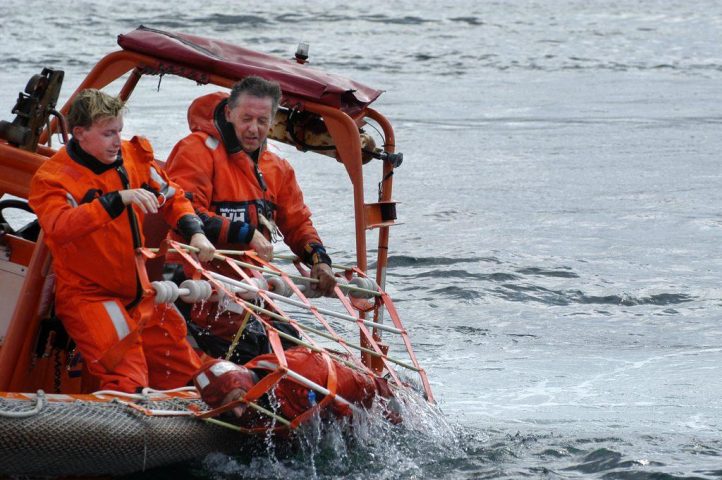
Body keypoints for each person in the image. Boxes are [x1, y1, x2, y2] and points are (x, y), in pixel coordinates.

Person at [29, 89, 216, 393]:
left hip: (139, 292)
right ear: (80, 133)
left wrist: (194, 230)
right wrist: (117, 200)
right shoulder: (53, 179)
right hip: (91, 296)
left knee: (184, 369)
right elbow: (59, 226)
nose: (117, 141)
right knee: (129, 381)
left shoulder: (132, 157)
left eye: (119, 131)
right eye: (108, 133)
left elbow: (172, 196)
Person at [164, 76, 336, 358]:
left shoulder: (277, 166)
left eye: (262, 120)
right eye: (246, 118)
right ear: (229, 113)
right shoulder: (196, 151)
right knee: (258, 355)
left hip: (249, 285)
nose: (253, 129)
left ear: (273, 122)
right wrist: (246, 233)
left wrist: (319, 261)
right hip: (194, 281)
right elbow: (185, 210)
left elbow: (297, 223)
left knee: (299, 353)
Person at [193, 347, 398, 426]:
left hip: (359, 388)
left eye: (238, 400)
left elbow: (369, 387)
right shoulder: (248, 392)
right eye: (227, 411)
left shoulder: (304, 376)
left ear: (247, 383)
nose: (238, 414)